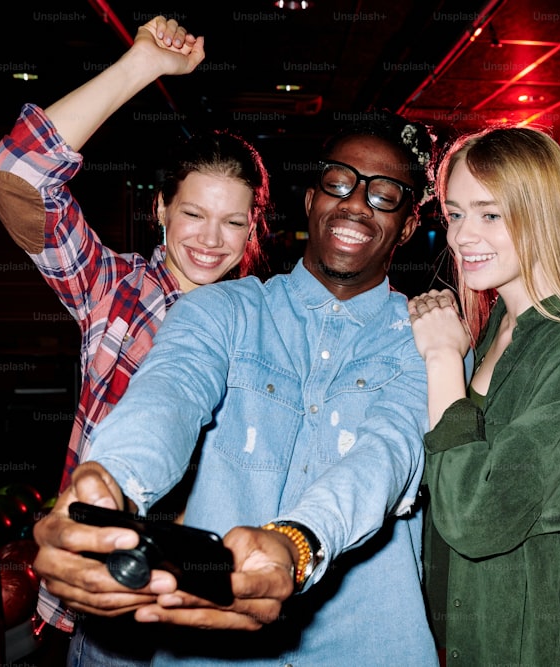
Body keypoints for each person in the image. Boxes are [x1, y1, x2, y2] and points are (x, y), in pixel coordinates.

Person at [30, 108, 441, 666]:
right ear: (311, 200)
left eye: (384, 193)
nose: (354, 203)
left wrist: (297, 543)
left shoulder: (428, 339)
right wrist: (109, 483)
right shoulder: (222, 308)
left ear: (409, 226)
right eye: (338, 182)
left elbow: (387, 452)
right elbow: (169, 394)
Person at [0, 15, 270, 661]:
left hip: (221, 590)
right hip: (115, 588)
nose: (209, 238)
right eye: (192, 213)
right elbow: (20, 171)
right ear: (161, 209)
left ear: (253, 226)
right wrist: (139, 66)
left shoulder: (265, 315)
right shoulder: (114, 287)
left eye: (232, 221)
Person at [408, 126, 560, 665]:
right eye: (454, 214)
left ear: (543, 214)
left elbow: (474, 517)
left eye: (490, 214)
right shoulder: (499, 327)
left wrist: (444, 361)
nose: (462, 236)